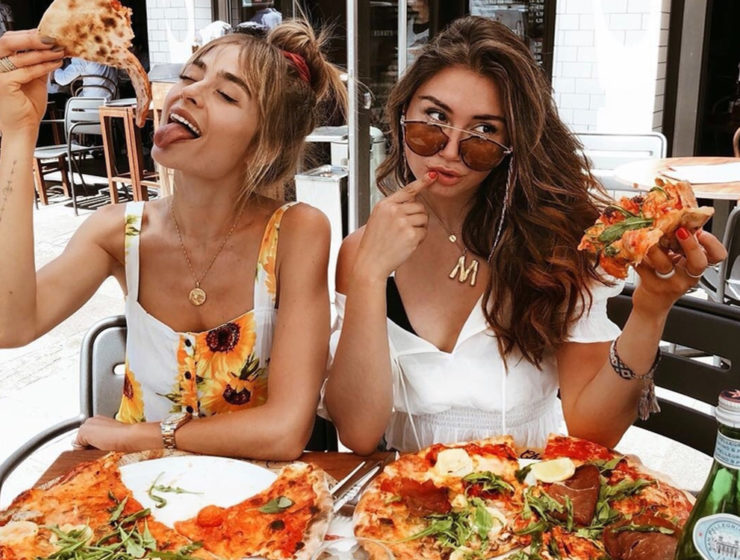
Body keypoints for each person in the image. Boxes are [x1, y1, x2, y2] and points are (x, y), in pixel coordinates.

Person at [323, 16, 727, 455]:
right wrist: (369, 275)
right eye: (435, 118)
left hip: (526, 489)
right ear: (403, 116)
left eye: (484, 131)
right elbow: (358, 434)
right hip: (405, 492)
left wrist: (650, 310)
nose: (451, 150)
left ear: (512, 146)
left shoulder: (554, 243)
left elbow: (593, 433)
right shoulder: (364, 252)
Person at [0, 21, 346, 460]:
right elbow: (11, 325)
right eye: (189, 76)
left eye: (226, 94)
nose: (189, 92)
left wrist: (137, 437)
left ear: (265, 143)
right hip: (130, 489)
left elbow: (284, 431)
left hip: (256, 494)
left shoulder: (296, 232)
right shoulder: (117, 233)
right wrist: (19, 133)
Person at [51, 57, 119, 99]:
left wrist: (56, 66)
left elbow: (62, 79)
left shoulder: (82, 56)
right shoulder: (104, 51)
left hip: (93, 104)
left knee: (69, 101)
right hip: (113, 100)